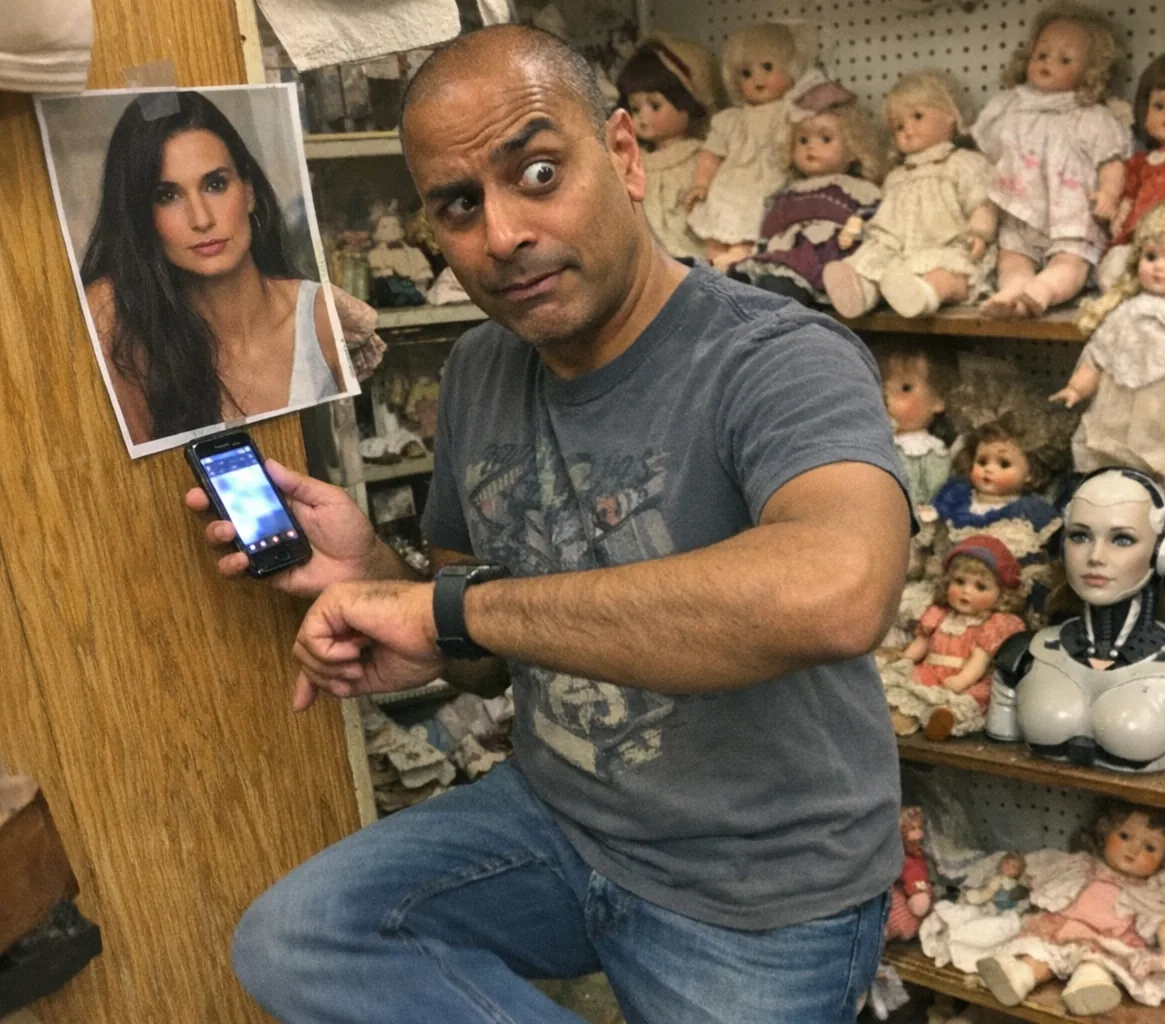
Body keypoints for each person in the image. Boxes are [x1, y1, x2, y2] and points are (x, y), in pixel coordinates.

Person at [187, 25, 911, 1024]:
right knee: (299, 936)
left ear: (623, 157)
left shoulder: (778, 357)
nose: (502, 232)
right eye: (458, 204)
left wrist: (460, 611)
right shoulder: (484, 367)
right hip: (563, 823)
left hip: (762, 891)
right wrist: (380, 572)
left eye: (536, 171)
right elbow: (485, 646)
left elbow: (836, 592)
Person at [82, 90, 343, 444]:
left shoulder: (324, 316)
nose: (201, 219)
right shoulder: (129, 329)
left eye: (216, 184)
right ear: (140, 216)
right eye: (167, 196)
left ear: (248, 192)